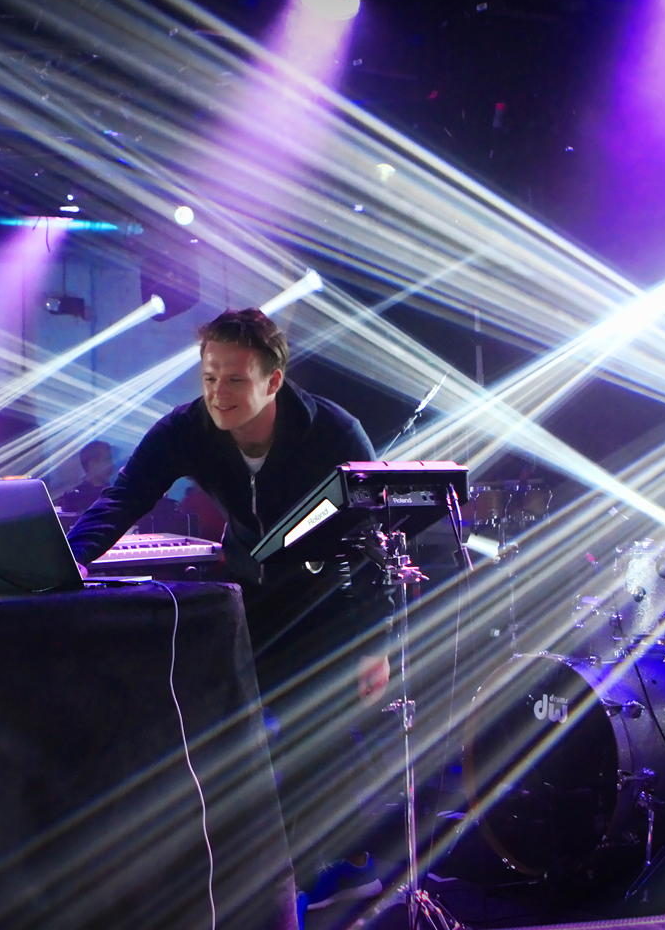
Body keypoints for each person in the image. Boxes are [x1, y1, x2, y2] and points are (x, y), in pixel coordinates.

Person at [66, 308, 391, 900]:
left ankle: (335, 870)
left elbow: (373, 543)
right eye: (210, 377)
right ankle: (287, 871)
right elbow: (123, 498)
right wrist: (69, 561)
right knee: (238, 739)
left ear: (273, 380)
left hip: (322, 602)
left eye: (235, 379)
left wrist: (375, 644)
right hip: (244, 595)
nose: (218, 394)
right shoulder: (187, 427)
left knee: (313, 739)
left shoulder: (335, 433)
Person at [56, 440, 116, 513]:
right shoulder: (75, 499)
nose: (111, 464)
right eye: (106, 460)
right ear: (92, 464)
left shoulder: (113, 492)